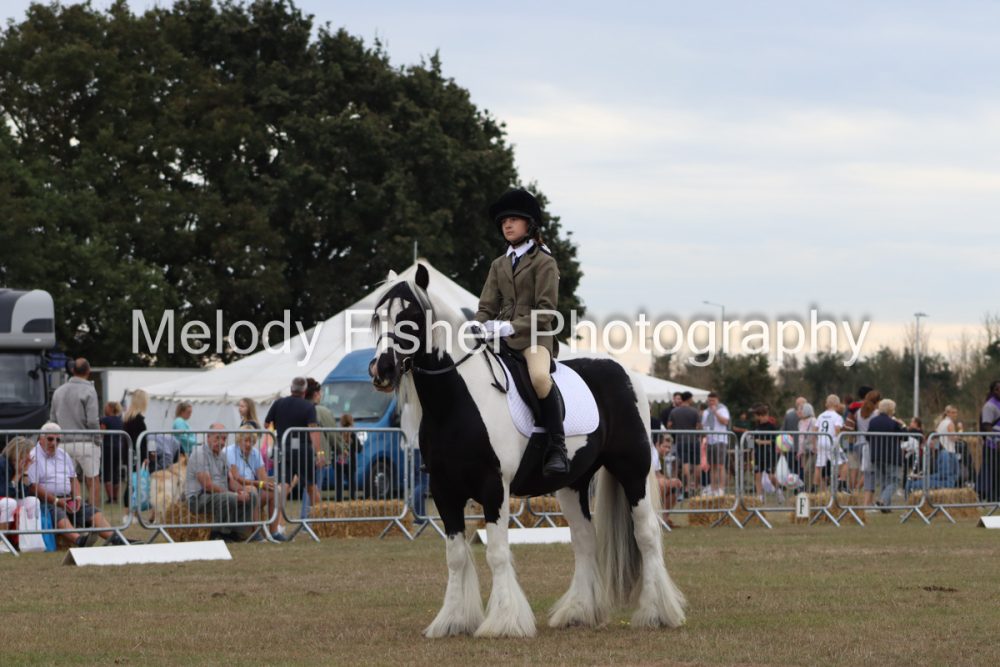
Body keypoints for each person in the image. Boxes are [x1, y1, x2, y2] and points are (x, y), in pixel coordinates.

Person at [474, 187, 566, 477]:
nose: (507, 225)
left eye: (513, 220)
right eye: (504, 222)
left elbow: (547, 310)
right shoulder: (498, 264)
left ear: (530, 224)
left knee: (539, 377)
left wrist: (512, 326)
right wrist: (478, 324)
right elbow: (487, 305)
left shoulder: (544, 262)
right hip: (500, 339)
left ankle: (557, 446)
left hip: (534, 338)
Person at [26, 423, 126, 547]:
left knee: (91, 511)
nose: (54, 443)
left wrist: (77, 497)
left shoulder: (63, 454)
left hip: (67, 497)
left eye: (58, 440)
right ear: (41, 439)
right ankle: (79, 540)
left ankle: (117, 540)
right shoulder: (33, 456)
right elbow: (33, 487)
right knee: (58, 512)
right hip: (45, 500)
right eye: (50, 439)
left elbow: (73, 479)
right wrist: (57, 501)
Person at [184, 423, 254, 542]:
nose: (221, 442)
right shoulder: (199, 454)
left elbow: (230, 481)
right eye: (217, 438)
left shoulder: (223, 456)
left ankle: (238, 532)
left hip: (215, 495)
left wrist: (241, 491)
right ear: (208, 437)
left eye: (224, 439)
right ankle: (218, 533)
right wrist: (233, 494)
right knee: (228, 497)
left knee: (251, 496)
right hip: (198, 498)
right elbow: (207, 486)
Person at [49, 357, 102, 508]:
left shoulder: (58, 391)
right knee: (92, 480)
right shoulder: (89, 390)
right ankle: (94, 517)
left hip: (63, 444)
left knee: (67, 482)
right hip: (86, 442)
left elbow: (52, 420)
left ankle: (70, 514)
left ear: (73, 371)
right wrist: (97, 439)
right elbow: (92, 420)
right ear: (88, 371)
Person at [264, 377, 323, 511]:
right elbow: (313, 430)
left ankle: (277, 519)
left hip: (283, 447)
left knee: (283, 485)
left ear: (291, 389)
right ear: (304, 391)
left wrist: (278, 430)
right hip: (303, 449)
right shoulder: (309, 407)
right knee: (311, 486)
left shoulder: (278, 403)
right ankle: (321, 517)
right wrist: (320, 452)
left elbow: (266, 424)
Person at [225, 425, 283, 541]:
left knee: (276, 490)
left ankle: (274, 532)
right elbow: (236, 478)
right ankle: (256, 533)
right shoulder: (230, 451)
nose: (248, 444)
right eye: (246, 440)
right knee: (253, 489)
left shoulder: (255, 453)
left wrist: (269, 484)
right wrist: (259, 484)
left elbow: (263, 477)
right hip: (235, 488)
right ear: (239, 440)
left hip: (252, 487)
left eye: (251, 441)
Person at [0, 437, 42, 553]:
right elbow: (4, 492)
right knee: (9, 503)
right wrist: (17, 475)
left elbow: (23, 494)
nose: (29, 457)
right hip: (4, 499)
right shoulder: (2, 464)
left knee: (33, 501)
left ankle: (30, 542)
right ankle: (2, 542)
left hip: (9, 499)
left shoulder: (17, 466)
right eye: (27, 453)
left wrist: (25, 474)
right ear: (17, 453)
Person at [867, 399, 907, 510]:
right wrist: (903, 425)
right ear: (891, 409)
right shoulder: (893, 423)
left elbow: (867, 437)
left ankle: (885, 507)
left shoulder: (873, 421)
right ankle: (883, 500)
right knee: (895, 480)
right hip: (891, 456)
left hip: (876, 455)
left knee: (885, 481)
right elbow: (905, 437)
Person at [667, 391, 701, 497]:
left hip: (681, 440)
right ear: (689, 399)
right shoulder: (695, 411)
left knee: (685, 463)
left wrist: (675, 431)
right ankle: (696, 487)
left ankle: (687, 487)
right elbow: (698, 426)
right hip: (694, 440)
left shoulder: (674, 411)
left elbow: (669, 425)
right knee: (697, 463)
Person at [699, 391, 731, 496]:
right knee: (712, 466)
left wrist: (715, 412)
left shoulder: (722, 409)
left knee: (720, 465)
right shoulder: (706, 412)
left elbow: (725, 422)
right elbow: (703, 426)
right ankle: (713, 488)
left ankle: (721, 488)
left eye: (713, 400)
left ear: (717, 400)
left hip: (720, 440)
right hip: (710, 441)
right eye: (709, 401)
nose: (711, 402)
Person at [813, 394, 846, 493]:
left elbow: (814, 430)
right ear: (837, 405)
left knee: (819, 466)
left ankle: (814, 488)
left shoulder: (821, 415)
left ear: (826, 404)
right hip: (832, 443)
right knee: (844, 463)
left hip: (821, 442)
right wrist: (838, 434)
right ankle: (842, 484)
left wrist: (818, 440)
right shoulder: (837, 416)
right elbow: (837, 429)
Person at [751, 405, 781, 503]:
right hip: (758, 454)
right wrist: (752, 451)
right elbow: (752, 440)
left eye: (766, 415)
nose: (765, 417)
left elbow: (775, 441)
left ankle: (778, 490)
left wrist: (762, 442)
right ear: (758, 416)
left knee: (771, 476)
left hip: (769, 454)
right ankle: (759, 497)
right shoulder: (756, 427)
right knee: (757, 475)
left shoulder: (772, 426)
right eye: (763, 416)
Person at [99, 401, 126, 504]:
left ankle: (110, 498)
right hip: (119, 448)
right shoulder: (120, 420)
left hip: (107, 447)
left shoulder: (104, 420)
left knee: (107, 472)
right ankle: (115, 498)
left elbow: (101, 433)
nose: (104, 409)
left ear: (110, 408)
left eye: (106, 407)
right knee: (116, 472)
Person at [978, 380, 1000, 502]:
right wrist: (996, 440)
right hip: (993, 445)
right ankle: (993, 497)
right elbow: (986, 425)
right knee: (994, 472)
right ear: (995, 391)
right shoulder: (989, 406)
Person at [652, 435, 681, 526]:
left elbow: (658, 475)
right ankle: (654, 517)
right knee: (665, 485)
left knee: (674, 490)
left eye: (669, 447)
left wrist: (671, 481)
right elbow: (654, 477)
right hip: (648, 485)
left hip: (654, 483)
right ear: (657, 445)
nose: (667, 450)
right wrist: (669, 482)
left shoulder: (659, 457)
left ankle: (663, 519)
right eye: (665, 446)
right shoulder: (653, 453)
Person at [238, 397, 272, 475]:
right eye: (239, 406)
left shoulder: (251, 424)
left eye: (242, 406)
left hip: (250, 452)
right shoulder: (243, 421)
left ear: (249, 409)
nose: (240, 408)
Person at [123, 389, 150, 469]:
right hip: (136, 456)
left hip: (129, 454)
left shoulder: (128, 418)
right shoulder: (138, 420)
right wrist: (145, 456)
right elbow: (140, 441)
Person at [797, 402, 817, 491]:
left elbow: (816, 435)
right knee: (805, 472)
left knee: (808, 470)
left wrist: (815, 447)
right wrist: (800, 451)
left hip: (813, 450)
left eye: (801, 409)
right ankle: (807, 490)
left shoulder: (813, 420)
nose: (799, 411)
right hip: (804, 450)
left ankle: (811, 489)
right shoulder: (800, 422)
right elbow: (800, 437)